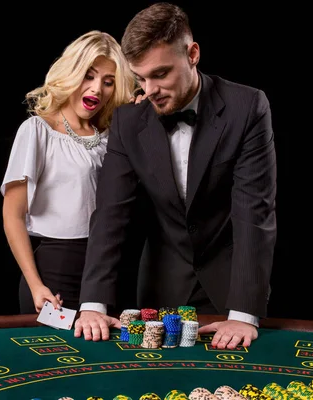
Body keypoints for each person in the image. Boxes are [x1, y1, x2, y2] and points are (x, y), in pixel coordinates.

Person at [74, 2, 277, 350]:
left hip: (231, 285)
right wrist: (93, 304)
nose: (149, 90)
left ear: (193, 54)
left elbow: (253, 212)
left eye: (161, 74)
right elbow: (110, 213)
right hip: (161, 283)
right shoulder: (128, 121)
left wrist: (244, 313)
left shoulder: (248, 107)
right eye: (140, 78)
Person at [0, 30, 136, 314]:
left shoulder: (114, 138)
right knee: (57, 357)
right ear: (71, 73)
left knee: (104, 358)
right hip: (55, 272)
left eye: (108, 82)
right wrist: (36, 285)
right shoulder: (37, 131)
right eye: (89, 75)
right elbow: (12, 215)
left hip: (107, 270)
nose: (97, 88)